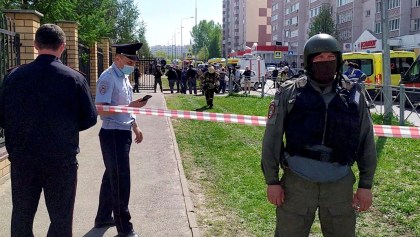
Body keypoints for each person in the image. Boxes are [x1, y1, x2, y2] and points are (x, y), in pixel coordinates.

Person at [261, 33, 377, 237]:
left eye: (330, 58)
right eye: (319, 58)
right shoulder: (290, 93)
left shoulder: (353, 95)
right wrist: (272, 181)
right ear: (308, 62)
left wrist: (365, 185)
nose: (326, 63)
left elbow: (366, 139)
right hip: (297, 184)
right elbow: (272, 138)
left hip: (339, 184)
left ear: (338, 60)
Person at [0, 24, 97, 237]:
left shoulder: (13, 76)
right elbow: (89, 118)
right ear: (62, 47)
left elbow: (2, 116)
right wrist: (65, 128)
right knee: (61, 218)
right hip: (61, 160)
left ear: (35, 45)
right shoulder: (75, 78)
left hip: (23, 160)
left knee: (22, 216)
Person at [94, 42, 149, 237]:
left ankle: (102, 217)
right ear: (117, 58)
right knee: (121, 180)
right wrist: (130, 107)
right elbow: (101, 109)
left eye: (134, 63)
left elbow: (126, 106)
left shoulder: (123, 77)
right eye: (129, 61)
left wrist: (135, 126)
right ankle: (124, 228)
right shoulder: (108, 78)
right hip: (112, 134)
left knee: (112, 177)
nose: (132, 66)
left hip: (123, 131)